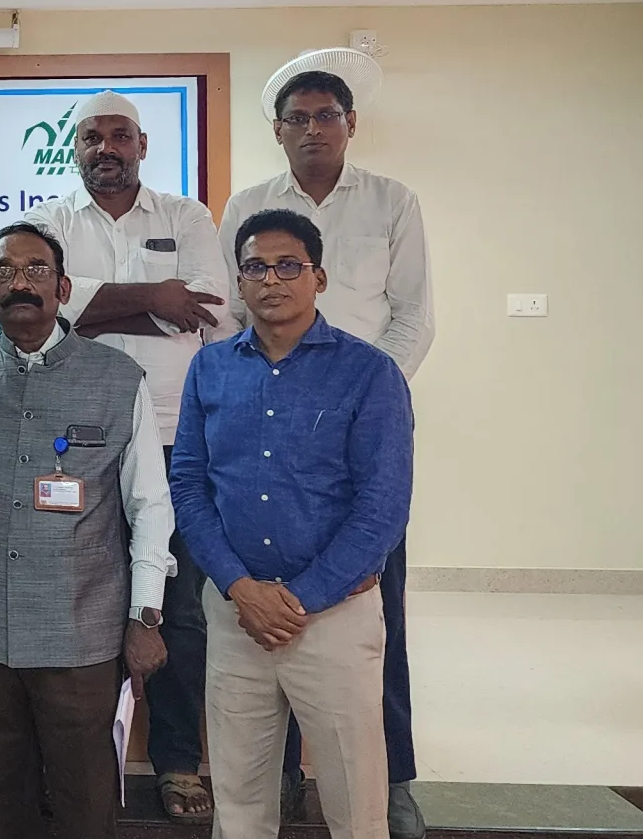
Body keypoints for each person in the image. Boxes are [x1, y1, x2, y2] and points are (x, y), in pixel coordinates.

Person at [217, 65, 432, 835]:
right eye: (298, 116)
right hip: (263, 424)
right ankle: (270, 781)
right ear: (277, 128)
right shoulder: (247, 206)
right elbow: (225, 316)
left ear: (349, 124)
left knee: (376, 616)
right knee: (253, 674)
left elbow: (414, 319)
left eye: (327, 114)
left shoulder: (389, 202)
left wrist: (356, 398)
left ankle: (392, 777)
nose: (313, 127)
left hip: (359, 435)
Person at [172, 209, 412, 839]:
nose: (271, 280)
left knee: (356, 805)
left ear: (319, 277)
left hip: (332, 616)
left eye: (288, 266)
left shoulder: (369, 372)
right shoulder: (211, 368)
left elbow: (383, 506)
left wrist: (299, 600)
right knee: (241, 799)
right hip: (236, 613)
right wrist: (240, 588)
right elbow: (190, 488)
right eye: (255, 266)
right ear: (239, 280)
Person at [22, 89, 228, 823]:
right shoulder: (49, 220)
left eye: (119, 136)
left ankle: (176, 762)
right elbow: (48, 305)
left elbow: (211, 308)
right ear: (73, 149)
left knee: (175, 608)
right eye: (90, 137)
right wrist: (154, 299)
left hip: (175, 433)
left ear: (141, 144)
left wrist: (96, 303)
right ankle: (77, 768)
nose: (105, 148)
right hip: (76, 436)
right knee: (76, 603)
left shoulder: (186, 216)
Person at [0, 223, 176, 839]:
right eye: (4, 272)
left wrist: (144, 615)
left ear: (64, 287)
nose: (21, 283)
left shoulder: (118, 378)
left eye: (37, 270)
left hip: (83, 636)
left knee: (85, 803)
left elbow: (150, 504)